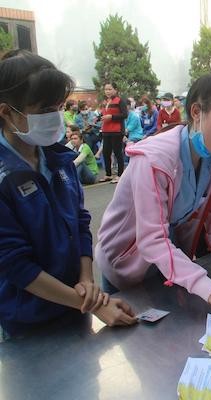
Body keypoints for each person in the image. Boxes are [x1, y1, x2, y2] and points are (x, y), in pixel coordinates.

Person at [95, 73, 211, 319]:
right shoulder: (155, 160)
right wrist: (210, 289)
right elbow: (152, 240)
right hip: (124, 266)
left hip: (166, 265)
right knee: (134, 337)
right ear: (196, 112)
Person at [0, 50, 136, 340]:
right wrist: (93, 303)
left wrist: (86, 282)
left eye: (58, 107)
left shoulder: (59, 159)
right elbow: (14, 264)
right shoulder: (4, 177)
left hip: (76, 304)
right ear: (7, 113)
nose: (55, 117)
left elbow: (80, 221)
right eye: (44, 110)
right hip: (27, 322)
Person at [98, 82, 128, 184]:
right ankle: (108, 174)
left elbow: (124, 115)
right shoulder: (106, 101)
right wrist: (98, 118)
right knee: (106, 153)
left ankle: (120, 175)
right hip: (106, 130)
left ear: (115, 90)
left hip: (117, 131)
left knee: (118, 153)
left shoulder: (120, 101)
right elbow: (104, 114)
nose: (107, 91)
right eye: (106, 89)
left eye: (110, 89)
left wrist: (111, 117)